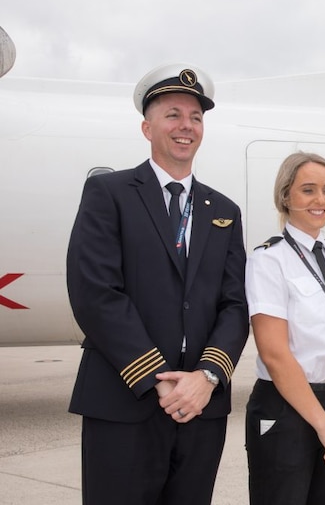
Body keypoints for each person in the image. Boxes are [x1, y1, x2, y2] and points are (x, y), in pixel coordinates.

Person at [66, 64, 249, 505]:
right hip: (125, 401)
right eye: (173, 115)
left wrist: (207, 376)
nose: (186, 126)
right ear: (147, 127)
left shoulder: (222, 210)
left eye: (196, 117)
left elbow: (236, 304)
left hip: (200, 407)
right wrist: (157, 379)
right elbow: (96, 293)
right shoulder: (109, 194)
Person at [244, 151, 325, 505]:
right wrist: (324, 427)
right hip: (288, 410)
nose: (321, 200)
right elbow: (274, 354)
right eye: (308, 190)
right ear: (286, 196)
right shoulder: (268, 261)